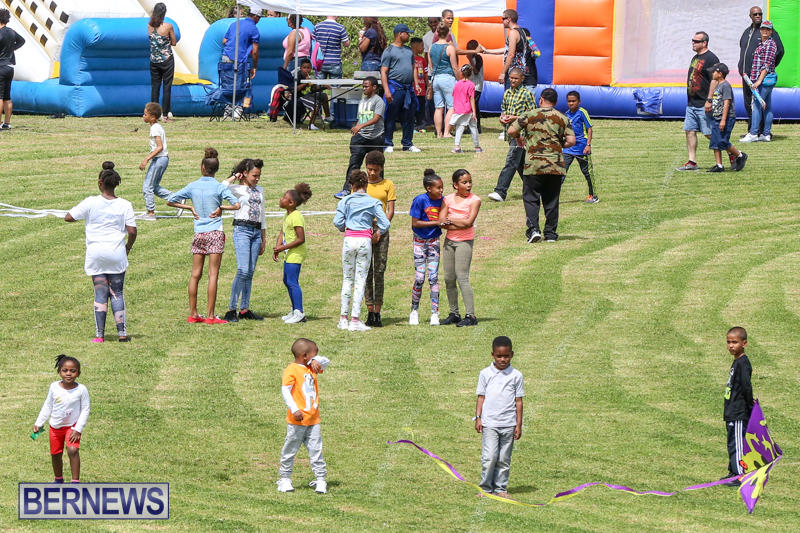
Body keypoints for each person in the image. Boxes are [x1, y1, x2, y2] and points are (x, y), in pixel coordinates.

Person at [167, 148, 241, 324]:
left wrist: (189, 208)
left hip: (198, 233)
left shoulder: (192, 186)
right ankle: (210, 316)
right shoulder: (219, 187)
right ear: (216, 169)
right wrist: (221, 208)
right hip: (215, 232)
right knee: (212, 274)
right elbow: (237, 205)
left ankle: (193, 314)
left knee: (195, 274)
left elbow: (170, 201)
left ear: (202, 167)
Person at [65, 162, 136, 343]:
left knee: (100, 292)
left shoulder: (91, 202)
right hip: (117, 253)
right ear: (116, 183)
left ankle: (100, 336)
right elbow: (132, 231)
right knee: (117, 293)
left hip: (96, 254)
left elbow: (69, 217)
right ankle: (122, 334)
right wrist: (128, 247)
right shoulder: (125, 205)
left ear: (100, 183)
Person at [508, 88, 575, 243]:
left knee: (531, 198)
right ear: (555, 102)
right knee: (551, 200)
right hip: (555, 165)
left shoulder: (529, 115)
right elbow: (572, 141)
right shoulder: (562, 117)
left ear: (541, 99)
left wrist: (519, 138)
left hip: (533, 165)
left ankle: (534, 230)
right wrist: (558, 145)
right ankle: (550, 234)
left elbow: (511, 130)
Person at [333, 170, 390, 332]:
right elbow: (385, 223)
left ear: (351, 186)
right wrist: (377, 233)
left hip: (349, 239)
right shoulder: (373, 202)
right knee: (360, 280)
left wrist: (345, 227)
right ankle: (355, 319)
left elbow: (337, 222)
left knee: (347, 278)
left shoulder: (345, 201)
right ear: (366, 185)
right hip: (365, 240)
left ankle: (343, 318)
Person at [277, 338, 330, 494]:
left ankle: (320, 479)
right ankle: (285, 479)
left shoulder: (312, 367)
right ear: (305, 356)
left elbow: (326, 361)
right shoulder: (292, 369)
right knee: (290, 450)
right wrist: (294, 409)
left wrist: (315, 360)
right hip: (297, 421)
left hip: (313, 420)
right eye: (314, 354)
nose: (317, 357)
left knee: (316, 450)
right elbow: (285, 390)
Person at [474, 336, 524, 498]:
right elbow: (481, 397)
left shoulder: (516, 375)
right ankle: (485, 488)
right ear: (493, 355)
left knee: (503, 458)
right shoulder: (485, 374)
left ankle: (500, 488)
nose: (502, 359)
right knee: (489, 457)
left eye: (506, 356)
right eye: (499, 356)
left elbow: (519, 401)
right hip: (490, 423)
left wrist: (518, 424)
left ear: (512, 355)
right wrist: (478, 417)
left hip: (508, 424)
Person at [33, 355, 90, 484]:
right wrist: (39, 422)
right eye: (65, 370)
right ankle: (58, 480)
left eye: (73, 371)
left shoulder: (81, 390)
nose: (69, 373)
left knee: (72, 450)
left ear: (78, 373)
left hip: (72, 427)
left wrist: (78, 429)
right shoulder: (54, 387)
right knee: (55, 454)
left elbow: (85, 409)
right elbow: (48, 405)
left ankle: (75, 482)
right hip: (55, 428)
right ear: (59, 372)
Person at [221, 159, 266, 323]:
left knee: (250, 272)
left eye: (259, 175)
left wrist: (263, 238)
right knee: (243, 270)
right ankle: (231, 309)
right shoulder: (237, 189)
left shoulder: (260, 190)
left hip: (256, 231)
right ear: (245, 173)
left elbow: (262, 214)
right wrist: (235, 176)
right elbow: (220, 187)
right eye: (254, 175)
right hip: (242, 230)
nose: (257, 179)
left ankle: (245, 309)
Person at [439, 169, 481, 327]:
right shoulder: (447, 199)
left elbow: (469, 223)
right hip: (449, 242)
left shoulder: (475, 200)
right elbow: (442, 221)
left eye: (470, 182)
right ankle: (454, 313)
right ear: (455, 185)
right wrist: (457, 223)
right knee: (449, 278)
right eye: (464, 182)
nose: (468, 185)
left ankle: (471, 315)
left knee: (462, 277)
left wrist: (451, 221)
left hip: (465, 242)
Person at [487, 68, 535, 203]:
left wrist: (514, 118)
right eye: (511, 78)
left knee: (511, 162)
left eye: (516, 78)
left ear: (522, 79)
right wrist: (502, 118)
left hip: (521, 134)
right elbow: (503, 110)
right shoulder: (507, 93)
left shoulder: (527, 94)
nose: (513, 80)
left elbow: (532, 116)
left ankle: (500, 191)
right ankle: (535, 190)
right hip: (510, 133)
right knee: (520, 165)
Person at [335, 76, 384, 199]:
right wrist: (357, 128)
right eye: (363, 86)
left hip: (375, 137)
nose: (364, 88)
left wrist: (360, 126)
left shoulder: (378, 101)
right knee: (354, 164)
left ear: (374, 87)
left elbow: (376, 118)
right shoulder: (362, 101)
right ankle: (347, 190)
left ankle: (378, 190)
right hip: (361, 137)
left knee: (376, 166)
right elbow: (361, 117)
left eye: (366, 86)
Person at [675, 32, 718, 171]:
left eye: (696, 41)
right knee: (689, 131)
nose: (693, 43)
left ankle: (734, 153)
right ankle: (692, 162)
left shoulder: (711, 58)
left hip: (703, 103)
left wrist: (709, 99)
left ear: (704, 43)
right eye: (692, 40)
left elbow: (715, 80)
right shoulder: (695, 57)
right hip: (692, 102)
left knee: (709, 133)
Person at [738, 7, 783, 138]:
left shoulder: (767, 31)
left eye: (760, 14)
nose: (758, 16)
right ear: (750, 16)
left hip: (760, 76)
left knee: (758, 104)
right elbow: (743, 50)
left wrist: (768, 68)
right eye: (755, 14)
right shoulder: (747, 31)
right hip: (747, 75)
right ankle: (755, 130)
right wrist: (741, 67)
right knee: (749, 103)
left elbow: (780, 51)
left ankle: (758, 131)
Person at [409, 169, 444, 326]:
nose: (441, 190)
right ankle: (414, 310)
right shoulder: (420, 200)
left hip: (434, 242)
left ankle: (435, 313)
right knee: (419, 278)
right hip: (419, 242)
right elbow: (415, 223)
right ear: (429, 188)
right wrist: (436, 222)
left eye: (442, 187)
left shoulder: (443, 201)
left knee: (433, 277)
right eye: (438, 188)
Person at [363, 151, 395, 328]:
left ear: (381, 168)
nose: (372, 173)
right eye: (369, 169)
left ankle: (378, 311)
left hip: (382, 230)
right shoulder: (361, 185)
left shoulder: (388, 184)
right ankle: (369, 310)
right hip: (364, 230)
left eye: (375, 170)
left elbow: (390, 211)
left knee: (379, 271)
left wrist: (381, 230)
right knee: (366, 271)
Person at [274, 183, 313, 324]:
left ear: (291, 203)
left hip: (296, 253)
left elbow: (301, 239)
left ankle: (299, 312)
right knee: (287, 280)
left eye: (284, 197)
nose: (281, 199)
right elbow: (282, 231)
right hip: (289, 253)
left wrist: (283, 247)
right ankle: (294, 309)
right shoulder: (288, 214)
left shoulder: (296, 216)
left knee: (292, 282)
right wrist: (278, 247)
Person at [381, 24, 420, 153]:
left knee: (409, 117)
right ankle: (388, 143)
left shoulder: (409, 51)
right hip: (395, 87)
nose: (409, 36)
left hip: (408, 89)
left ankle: (407, 143)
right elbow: (384, 71)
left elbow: (413, 68)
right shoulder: (389, 51)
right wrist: (387, 90)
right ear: (400, 34)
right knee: (390, 116)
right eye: (407, 33)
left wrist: (416, 84)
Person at [723, 327, 754, 485]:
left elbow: (746, 387)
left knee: (738, 444)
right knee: (732, 443)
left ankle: (740, 474)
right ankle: (733, 471)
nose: (731, 345)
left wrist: (750, 406)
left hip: (738, 411)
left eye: (735, 342)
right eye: (728, 342)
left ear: (744, 343)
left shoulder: (743, 363)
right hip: (731, 411)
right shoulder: (737, 362)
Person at [482, 9, 537, 94]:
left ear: (509, 19)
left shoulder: (513, 33)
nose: (502, 21)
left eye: (503, 18)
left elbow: (511, 54)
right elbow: (507, 50)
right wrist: (487, 51)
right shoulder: (522, 32)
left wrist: (503, 73)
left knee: (510, 99)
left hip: (513, 72)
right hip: (519, 72)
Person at [706, 64, 747, 172]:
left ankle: (740, 155)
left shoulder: (725, 85)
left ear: (720, 74)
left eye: (714, 72)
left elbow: (727, 103)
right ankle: (719, 165)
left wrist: (723, 120)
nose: (712, 73)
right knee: (715, 142)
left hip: (726, 118)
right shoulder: (718, 85)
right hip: (717, 117)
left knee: (722, 141)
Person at [562, 91, 598, 203]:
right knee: (561, 172)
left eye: (574, 101)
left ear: (579, 102)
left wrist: (588, 145)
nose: (571, 103)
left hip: (582, 148)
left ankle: (593, 196)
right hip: (568, 148)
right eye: (569, 101)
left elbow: (589, 129)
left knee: (587, 172)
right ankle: (552, 197)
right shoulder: (566, 114)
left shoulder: (582, 112)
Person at [139, 102, 172, 221]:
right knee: (154, 187)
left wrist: (146, 159)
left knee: (147, 187)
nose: (143, 116)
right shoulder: (156, 127)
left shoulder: (155, 128)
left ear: (152, 117)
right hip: (162, 159)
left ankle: (151, 213)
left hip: (159, 159)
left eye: (145, 114)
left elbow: (160, 147)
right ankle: (177, 198)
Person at [428, 22, 459, 139]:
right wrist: (459, 79)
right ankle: (446, 132)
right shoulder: (450, 48)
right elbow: (454, 67)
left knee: (438, 107)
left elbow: (431, 67)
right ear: (448, 33)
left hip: (435, 78)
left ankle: (439, 133)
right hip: (448, 78)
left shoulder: (431, 47)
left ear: (437, 32)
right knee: (451, 107)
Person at [148, 3, 178, 122]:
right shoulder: (168, 26)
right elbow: (174, 42)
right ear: (164, 13)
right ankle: (165, 114)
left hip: (154, 60)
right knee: (167, 87)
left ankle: (153, 115)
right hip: (166, 60)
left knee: (155, 87)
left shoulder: (149, 26)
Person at [291, 58, 332, 130]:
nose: (306, 70)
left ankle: (328, 117)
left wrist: (323, 87)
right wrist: (305, 83)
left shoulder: (309, 76)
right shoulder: (298, 76)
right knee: (316, 104)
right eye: (304, 68)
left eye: (308, 68)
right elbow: (293, 90)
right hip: (299, 97)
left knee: (323, 96)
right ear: (300, 68)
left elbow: (313, 89)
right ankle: (311, 125)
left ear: (310, 69)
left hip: (308, 95)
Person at [0, 8, 24, 130]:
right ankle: (7, 123)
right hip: (10, 67)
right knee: (7, 97)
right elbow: (22, 41)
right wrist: (12, 49)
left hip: (0, 66)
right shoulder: (11, 32)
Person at [450, 64, 482, 154]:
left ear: (461, 73)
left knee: (459, 127)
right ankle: (476, 147)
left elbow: (454, 96)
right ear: (471, 74)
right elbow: (472, 98)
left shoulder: (457, 84)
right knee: (473, 128)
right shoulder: (471, 85)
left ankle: (457, 146)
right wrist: (474, 112)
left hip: (459, 109)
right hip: (468, 109)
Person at [221, 7, 261, 80]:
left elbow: (224, 41)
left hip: (226, 57)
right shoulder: (254, 29)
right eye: (259, 18)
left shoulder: (234, 24)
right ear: (255, 16)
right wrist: (255, 67)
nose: (259, 20)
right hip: (239, 60)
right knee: (238, 85)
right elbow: (255, 52)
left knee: (226, 84)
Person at [410, 37, 428, 131]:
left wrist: (428, 85)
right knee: (413, 107)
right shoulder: (409, 58)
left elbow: (425, 74)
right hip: (412, 89)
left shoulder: (422, 60)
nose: (423, 48)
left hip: (422, 89)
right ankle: (412, 126)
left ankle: (421, 125)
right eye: (422, 45)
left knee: (421, 107)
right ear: (415, 46)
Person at [466, 40, 484, 133]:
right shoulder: (471, 59)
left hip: (477, 86)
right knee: (472, 106)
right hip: (471, 85)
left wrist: (470, 60)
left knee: (474, 106)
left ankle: (476, 127)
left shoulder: (478, 58)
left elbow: (476, 71)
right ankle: (473, 126)